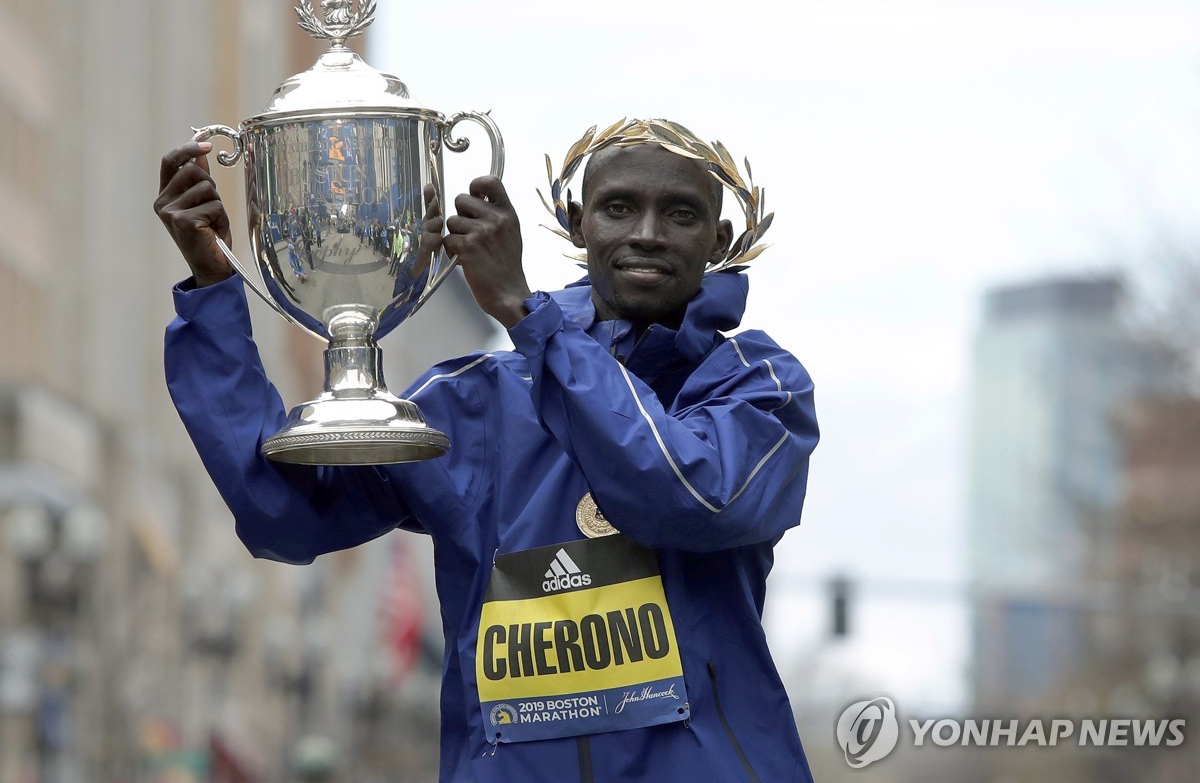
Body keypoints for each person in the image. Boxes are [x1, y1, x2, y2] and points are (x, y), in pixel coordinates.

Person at [154, 119, 820, 783]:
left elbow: (687, 497)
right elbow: (285, 514)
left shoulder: (758, 389)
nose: (647, 232)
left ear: (720, 241)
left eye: (680, 213)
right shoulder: (476, 402)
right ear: (577, 222)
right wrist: (214, 291)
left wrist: (533, 322)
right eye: (619, 208)